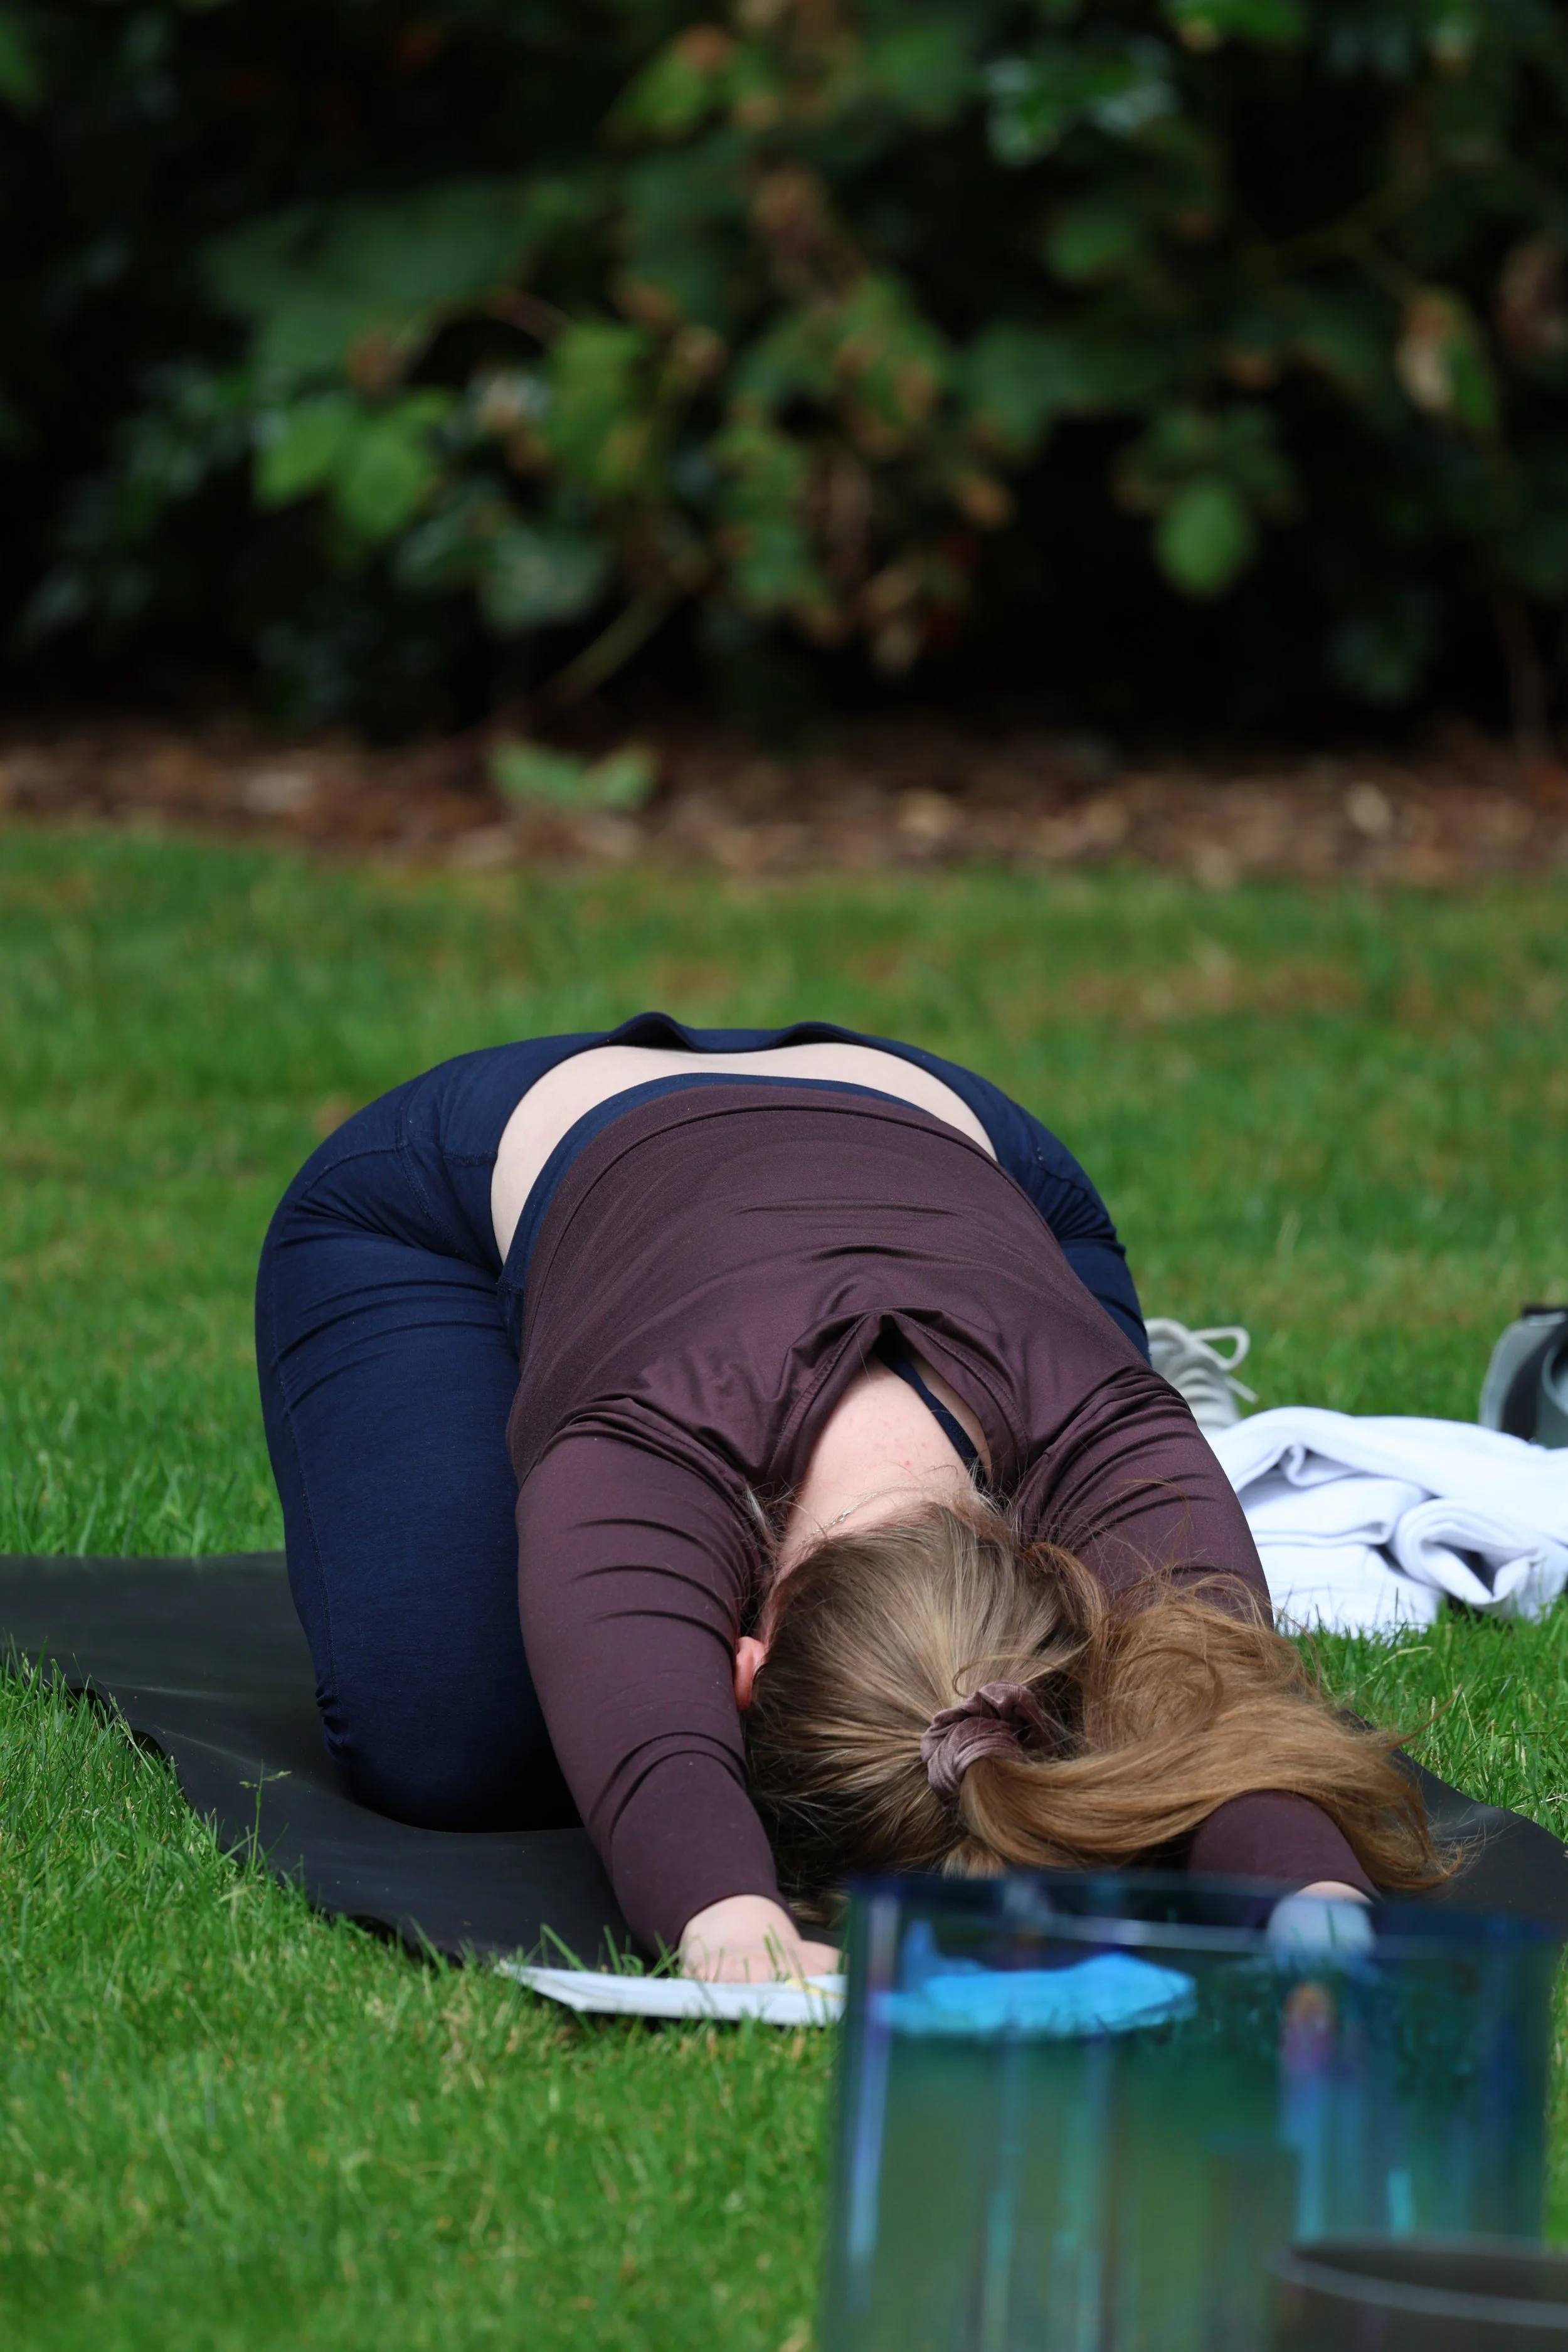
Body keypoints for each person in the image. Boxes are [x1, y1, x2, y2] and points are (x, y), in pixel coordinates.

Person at [255, 1014, 1439, 1984]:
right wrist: (726, 1918)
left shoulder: (1109, 1418)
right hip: (470, 1180)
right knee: (453, 1742)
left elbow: (1213, 1690)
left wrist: (1312, 1896)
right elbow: (658, 1751)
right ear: (743, 1669)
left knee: (1165, 1657)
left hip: (954, 1151)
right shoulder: (651, 1439)